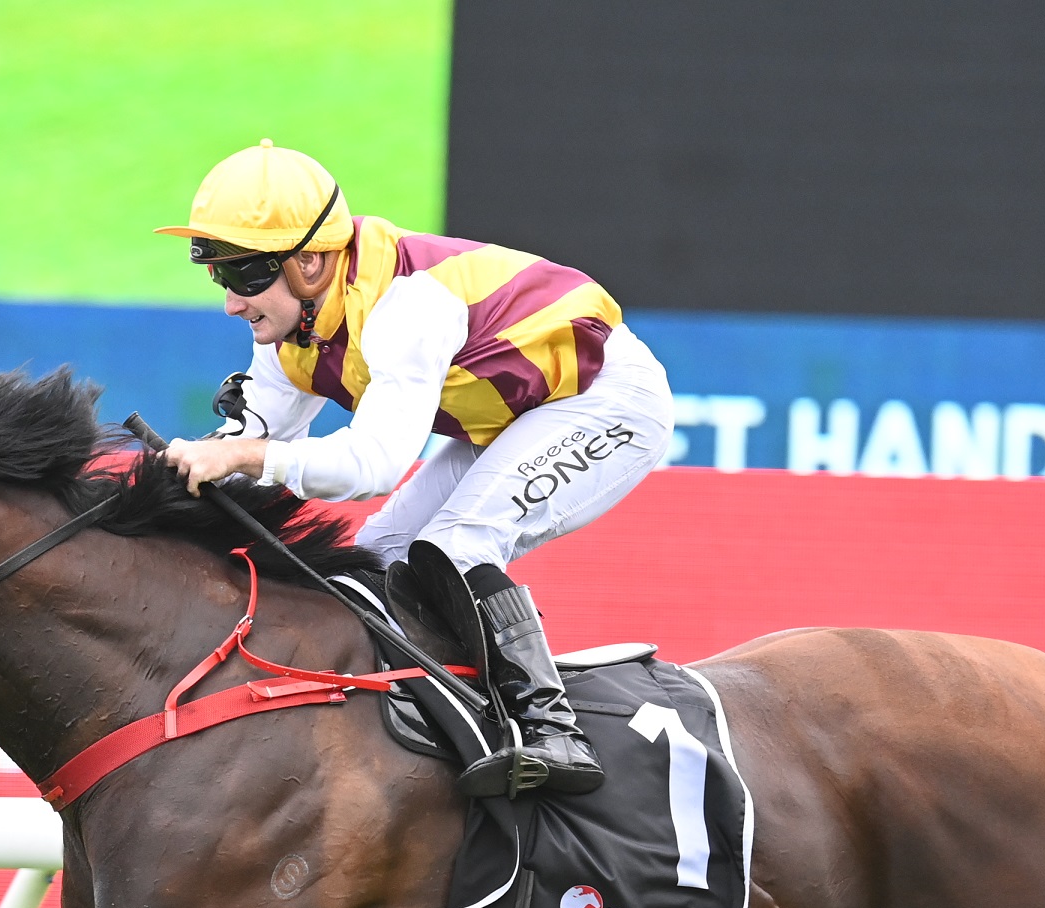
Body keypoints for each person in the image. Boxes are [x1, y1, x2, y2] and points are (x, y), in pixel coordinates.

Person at [156, 140, 674, 796]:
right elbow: (249, 442)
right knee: (374, 559)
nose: (232, 302)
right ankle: (432, 714)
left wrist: (240, 455)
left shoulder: (407, 307)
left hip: (605, 400)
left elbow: (372, 465)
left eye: (245, 275)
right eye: (219, 277)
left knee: (458, 546)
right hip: (515, 412)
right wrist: (170, 479)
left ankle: (553, 730)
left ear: (310, 263)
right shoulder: (291, 331)